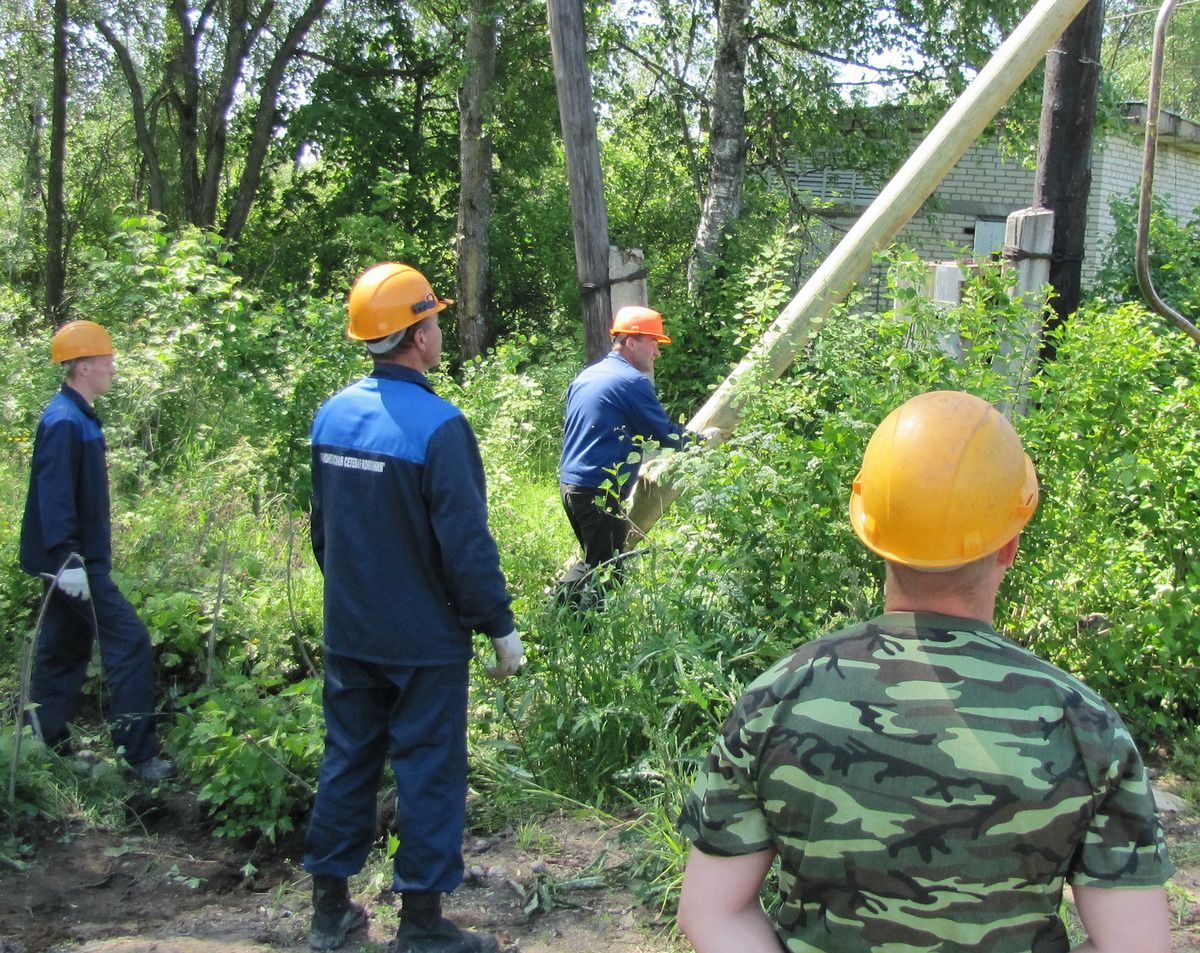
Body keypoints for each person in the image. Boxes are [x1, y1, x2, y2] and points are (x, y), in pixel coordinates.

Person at [677, 390, 1174, 953]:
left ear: (872, 533)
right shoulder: (1083, 726)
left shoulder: (777, 697)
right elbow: (1137, 945)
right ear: (1010, 545)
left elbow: (710, 913)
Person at [303, 262, 524, 953]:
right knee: (429, 772)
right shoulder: (439, 426)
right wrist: (499, 625)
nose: (437, 332)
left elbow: (322, 531)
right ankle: (423, 928)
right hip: (424, 641)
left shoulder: (332, 415)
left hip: (350, 631)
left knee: (347, 762)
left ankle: (330, 913)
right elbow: (466, 544)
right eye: (433, 320)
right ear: (416, 334)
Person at [19, 320, 175, 783]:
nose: (113, 367)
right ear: (83, 366)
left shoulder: (77, 416)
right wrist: (68, 560)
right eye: (106, 360)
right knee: (129, 642)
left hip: (73, 563)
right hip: (72, 565)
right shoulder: (64, 421)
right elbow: (55, 494)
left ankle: (44, 743)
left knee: (64, 648)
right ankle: (138, 757)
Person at [557, 305, 710, 598]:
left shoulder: (589, 375)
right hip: (596, 491)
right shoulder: (631, 382)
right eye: (653, 342)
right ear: (630, 341)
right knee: (604, 573)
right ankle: (562, 623)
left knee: (600, 564)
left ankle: (566, 623)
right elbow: (662, 432)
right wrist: (703, 444)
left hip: (572, 485)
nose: (657, 352)